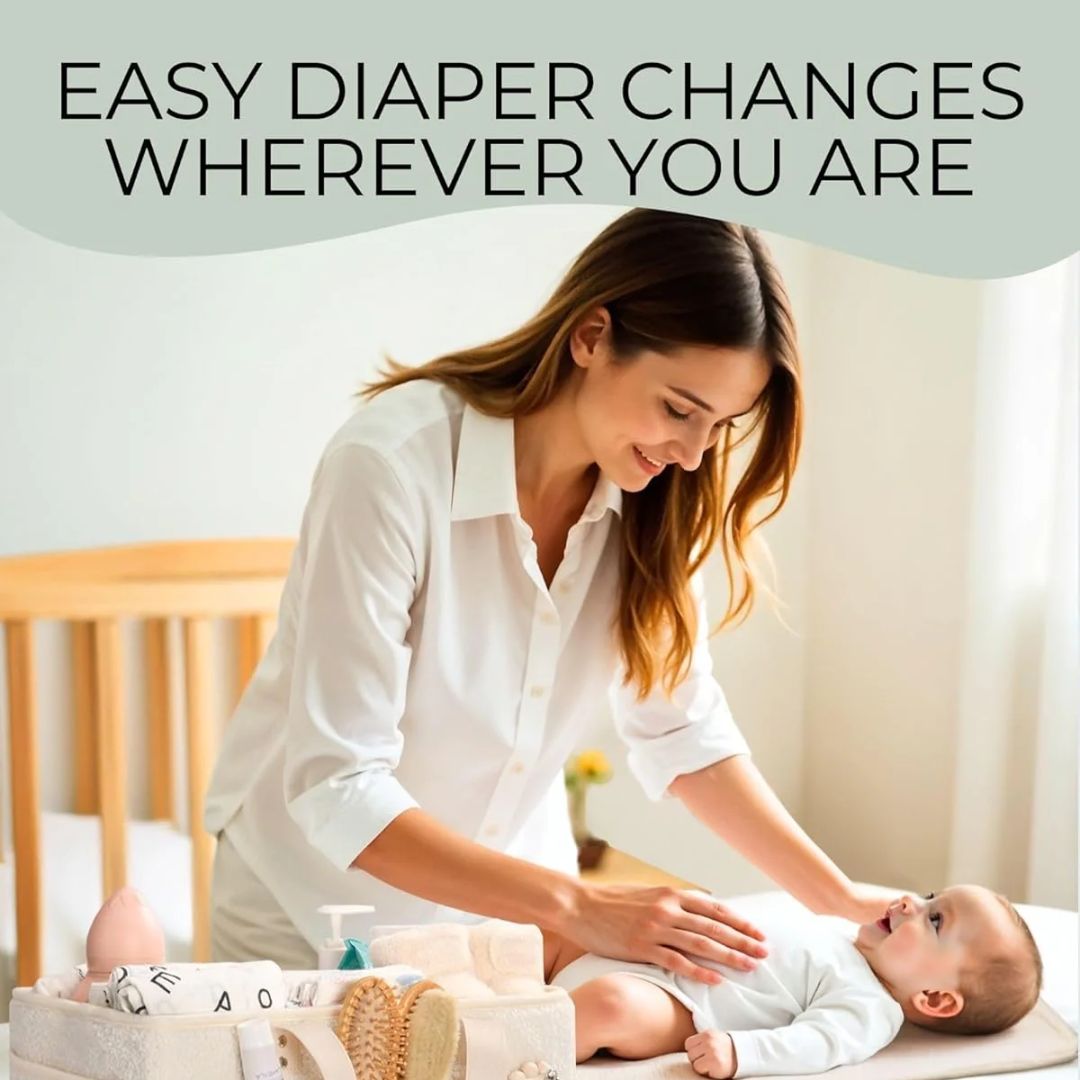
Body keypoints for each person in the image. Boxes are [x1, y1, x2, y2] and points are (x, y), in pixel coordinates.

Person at [204, 207, 897, 979]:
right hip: (308, 912)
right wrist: (580, 906)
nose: (696, 455)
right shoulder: (391, 466)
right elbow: (338, 785)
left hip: (507, 922)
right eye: (679, 409)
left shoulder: (654, 503)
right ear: (592, 337)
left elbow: (682, 733)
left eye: (720, 426)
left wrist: (838, 899)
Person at [546, 886, 1044, 1076]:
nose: (911, 901)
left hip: (675, 1000)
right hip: (645, 950)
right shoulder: (842, 932)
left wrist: (743, 1053)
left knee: (609, 1005)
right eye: (932, 894)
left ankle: (509, 1043)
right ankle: (485, 978)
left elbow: (818, 1043)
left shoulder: (871, 1006)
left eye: (936, 920)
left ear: (934, 997)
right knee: (547, 931)